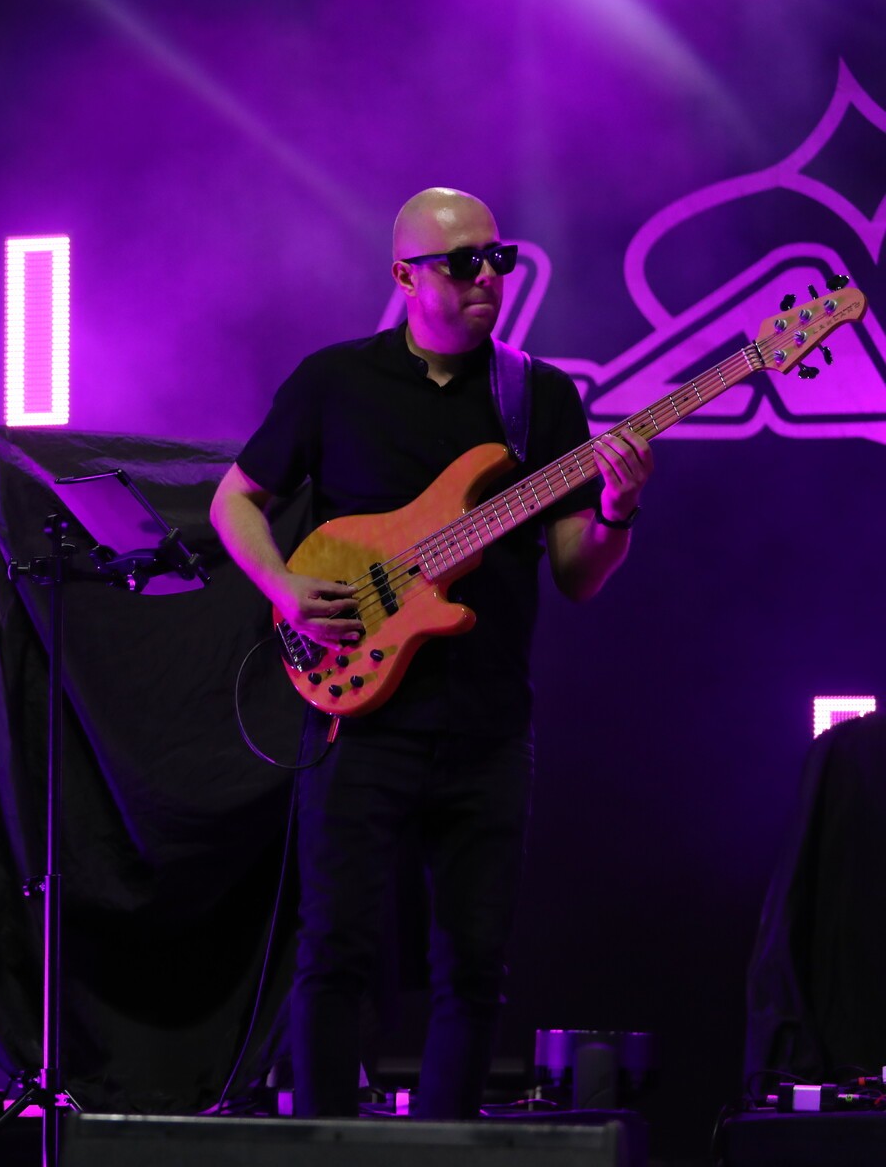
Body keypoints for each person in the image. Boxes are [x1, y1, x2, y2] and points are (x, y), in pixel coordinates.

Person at [209, 187, 653, 1118]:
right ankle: (320, 1145)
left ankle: (449, 1146)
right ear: (406, 276)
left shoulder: (538, 398)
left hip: (488, 721)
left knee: (475, 964)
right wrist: (284, 588)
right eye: (462, 262)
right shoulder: (335, 382)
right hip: (359, 718)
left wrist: (616, 512)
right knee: (335, 951)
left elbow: (578, 574)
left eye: (498, 258)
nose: (487, 276)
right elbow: (234, 500)